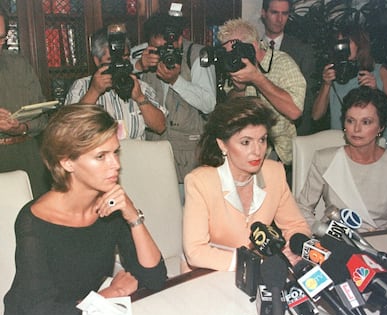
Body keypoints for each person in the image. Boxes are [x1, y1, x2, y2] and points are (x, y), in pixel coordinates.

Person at [3, 105, 167, 315]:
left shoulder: (110, 206)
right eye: (101, 156)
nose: (115, 164)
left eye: (115, 152)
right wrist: (110, 294)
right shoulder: (35, 221)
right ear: (67, 162)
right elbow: (40, 312)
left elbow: (154, 278)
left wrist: (133, 216)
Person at [183, 96, 311, 271]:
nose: (257, 151)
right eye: (246, 142)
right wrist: (256, 262)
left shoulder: (275, 173)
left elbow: (296, 226)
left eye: (262, 140)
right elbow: (195, 251)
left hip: (264, 272)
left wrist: (292, 247)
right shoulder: (200, 182)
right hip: (209, 272)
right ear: (223, 145)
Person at [297, 86, 387, 232]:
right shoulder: (324, 160)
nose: (356, 129)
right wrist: (322, 231)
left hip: (380, 244)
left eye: (366, 122)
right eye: (351, 121)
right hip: (335, 241)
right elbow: (302, 208)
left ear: (381, 127)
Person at [130, 13, 216, 189]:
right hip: (152, 150)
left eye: (167, 47)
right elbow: (119, 80)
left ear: (178, 40)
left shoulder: (198, 56)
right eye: (156, 48)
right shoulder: (140, 53)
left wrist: (176, 81)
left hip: (189, 155)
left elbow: (209, 104)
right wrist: (138, 66)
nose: (162, 54)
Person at [217, 18, 306, 169]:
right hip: (245, 150)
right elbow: (228, 110)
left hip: (280, 154)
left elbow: (295, 111)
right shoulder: (234, 65)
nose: (233, 56)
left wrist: (257, 78)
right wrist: (239, 89)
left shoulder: (282, 63)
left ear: (253, 46)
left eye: (236, 50)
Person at [65, 25, 166, 140]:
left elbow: (160, 127)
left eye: (125, 58)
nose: (119, 65)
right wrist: (94, 92)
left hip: (135, 156)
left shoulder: (140, 86)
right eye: (112, 60)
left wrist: (140, 98)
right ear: (97, 60)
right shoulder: (82, 86)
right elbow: (69, 130)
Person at [312, 24, 387, 147]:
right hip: (346, 145)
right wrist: (326, 84)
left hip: (381, 145)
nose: (342, 46)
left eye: (346, 42)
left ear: (359, 44)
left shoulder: (381, 72)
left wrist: (376, 90)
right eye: (338, 42)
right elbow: (316, 115)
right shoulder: (334, 73)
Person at [0, 6, 50, 197]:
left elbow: (43, 119)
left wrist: (21, 127)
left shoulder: (19, 65)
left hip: (27, 158)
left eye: (1, 38)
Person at [261, 0, 318, 135]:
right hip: (260, 128)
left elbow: (307, 98)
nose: (279, 19)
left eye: (284, 13)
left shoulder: (302, 50)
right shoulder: (253, 47)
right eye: (274, 12)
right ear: (264, 13)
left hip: (293, 130)